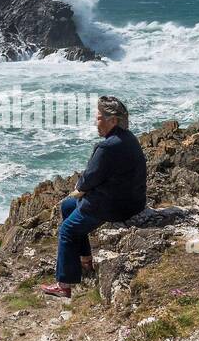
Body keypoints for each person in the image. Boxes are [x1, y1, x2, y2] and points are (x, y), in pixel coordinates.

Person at [39, 95, 147, 299]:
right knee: (68, 205)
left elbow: (89, 179)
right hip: (133, 201)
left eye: (98, 118)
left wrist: (80, 187)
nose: (95, 122)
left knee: (67, 229)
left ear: (112, 120)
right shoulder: (129, 138)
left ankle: (64, 284)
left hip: (113, 206)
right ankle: (85, 260)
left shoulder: (107, 147)